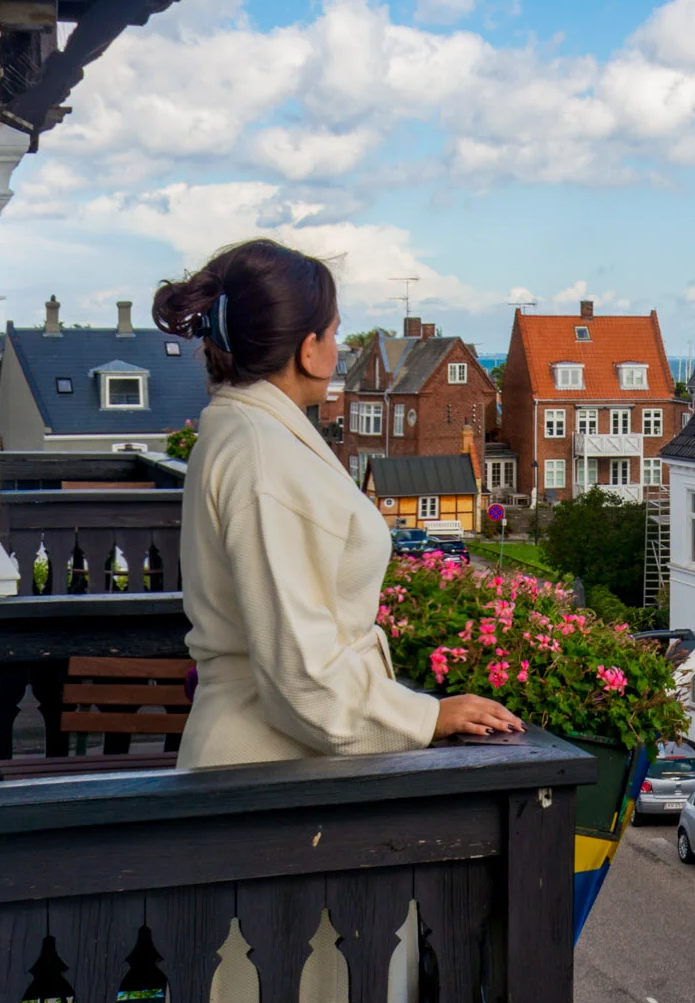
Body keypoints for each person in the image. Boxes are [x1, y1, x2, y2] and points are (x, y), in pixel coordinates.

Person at [152, 240, 519, 767]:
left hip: (265, 756)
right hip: (264, 767)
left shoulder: (247, 430)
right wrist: (426, 717)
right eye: (334, 331)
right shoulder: (264, 457)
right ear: (309, 349)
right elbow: (301, 673)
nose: (337, 345)